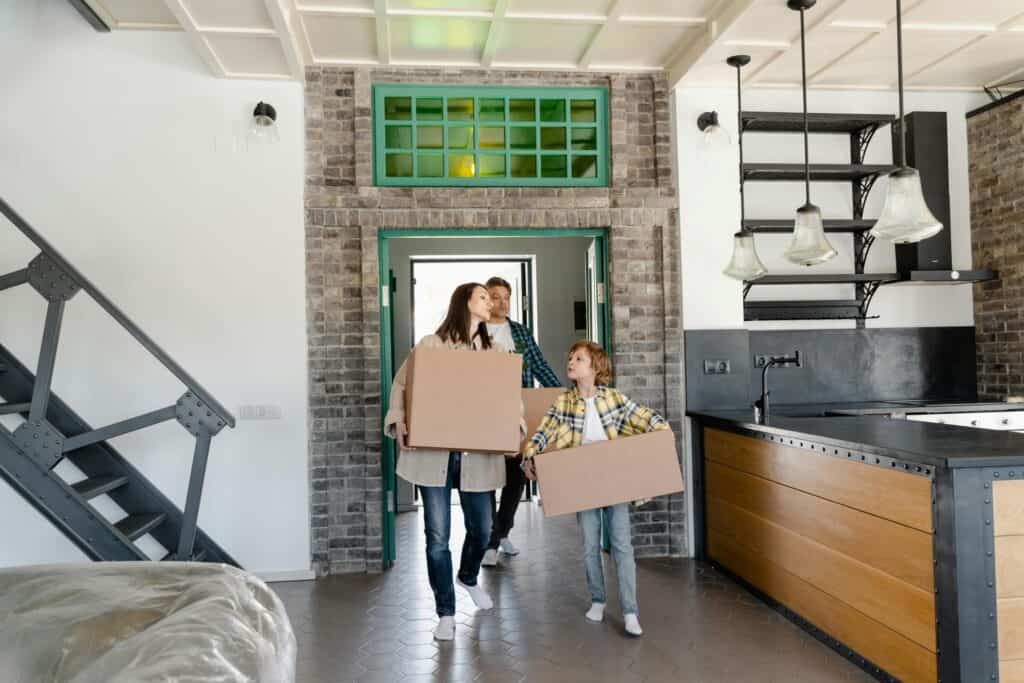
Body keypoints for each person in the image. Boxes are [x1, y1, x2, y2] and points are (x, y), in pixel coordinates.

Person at [384, 283, 523, 642]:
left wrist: (514, 431)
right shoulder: (431, 345)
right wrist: (399, 418)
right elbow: (402, 384)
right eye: (482, 296)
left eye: (490, 298)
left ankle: (468, 576)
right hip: (435, 456)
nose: (490, 301)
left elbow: (510, 397)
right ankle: (445, 611)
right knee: (436, 537)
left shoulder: (495, 351)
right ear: (464, 302)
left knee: (481, 529)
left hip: (477, 456)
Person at [522, 341, 669, 638]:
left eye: (579, 358)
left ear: (595, 367)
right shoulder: (564, 402)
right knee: (590, 545)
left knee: (621, 545)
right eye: (570, 357)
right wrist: (528, 455)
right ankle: (598, 600)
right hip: (582, 481)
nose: (571, 362)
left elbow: (647, 418)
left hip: (613, 477)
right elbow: (543, 432)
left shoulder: (613, 399)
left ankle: (630, 611)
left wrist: (663, 437)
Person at [482, 276, 562, 568]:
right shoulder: (472, 332)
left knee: (516, 480)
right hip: (484, 414)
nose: (501, 302)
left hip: (518, 415)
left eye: (506, 297)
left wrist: (562, 394)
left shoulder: (520, 332)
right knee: (487, 478)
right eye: (494, 296)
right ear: (485, 299)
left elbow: (539, 365)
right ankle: (490, 541)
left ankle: (501, 533)